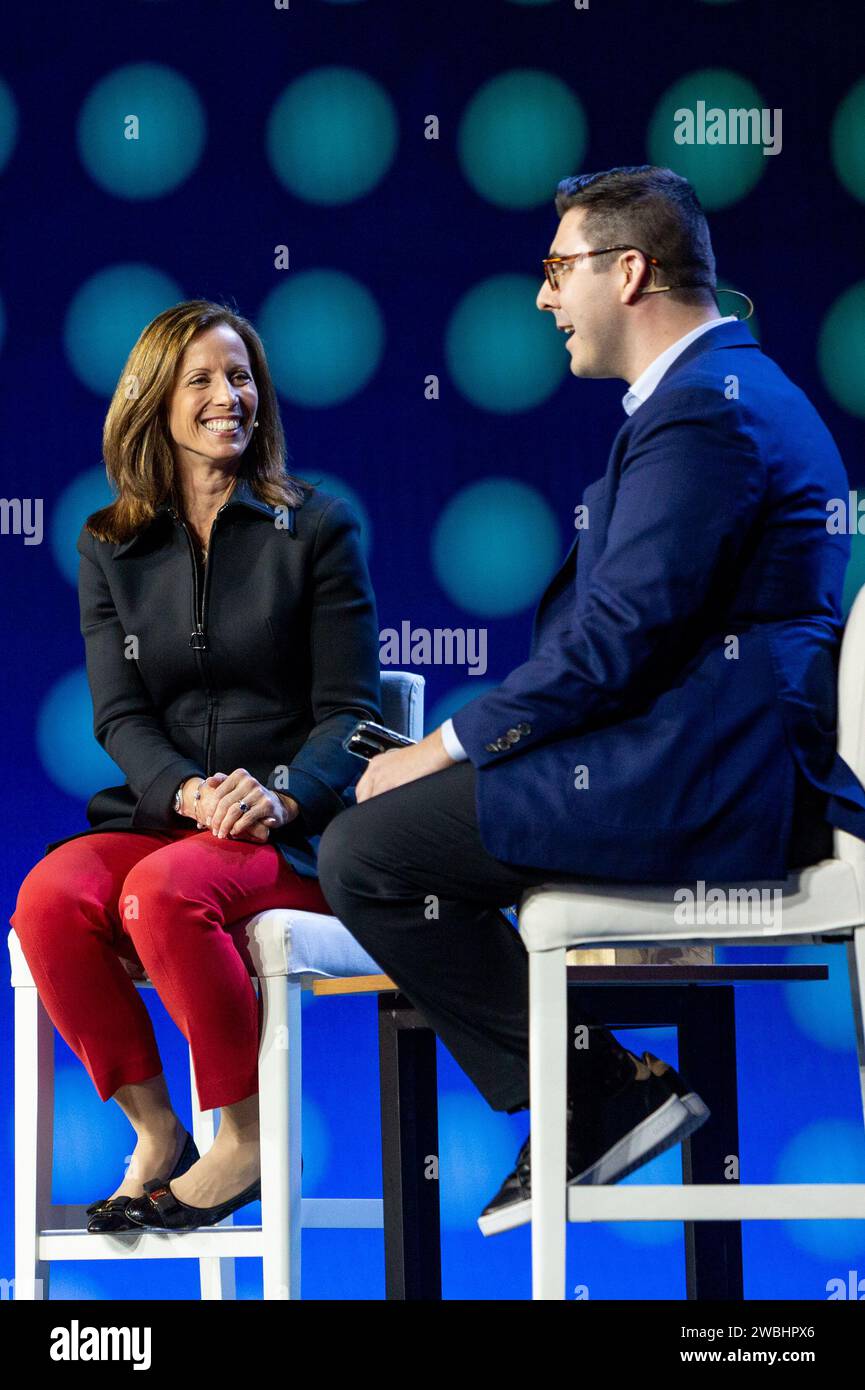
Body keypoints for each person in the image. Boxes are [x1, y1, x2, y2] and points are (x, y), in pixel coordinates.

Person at [316, 165, 865, 1236]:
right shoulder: (709, 395)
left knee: (368, 852)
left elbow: (617, 641)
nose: (541, 298)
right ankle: (595, 1084)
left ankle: (599, 1090)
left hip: (704, 776)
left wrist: (446, 748)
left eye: (557, 270)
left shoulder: (708, 410)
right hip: (692, 753)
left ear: (630, 271)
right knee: (384, 834)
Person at [9, 299, 381, 1233]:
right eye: (203, 380)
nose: (231, 397)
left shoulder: (319, 531)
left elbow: (351, 717)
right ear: (154, 405)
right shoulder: (110, 545)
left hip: (288, 838)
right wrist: (183, 790)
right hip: (165, 819)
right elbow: (120, 714)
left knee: (167, 891)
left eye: (243, 375)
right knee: (49, 898)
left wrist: (280, 794)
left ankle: (247, 1140)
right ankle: (157, 1131)